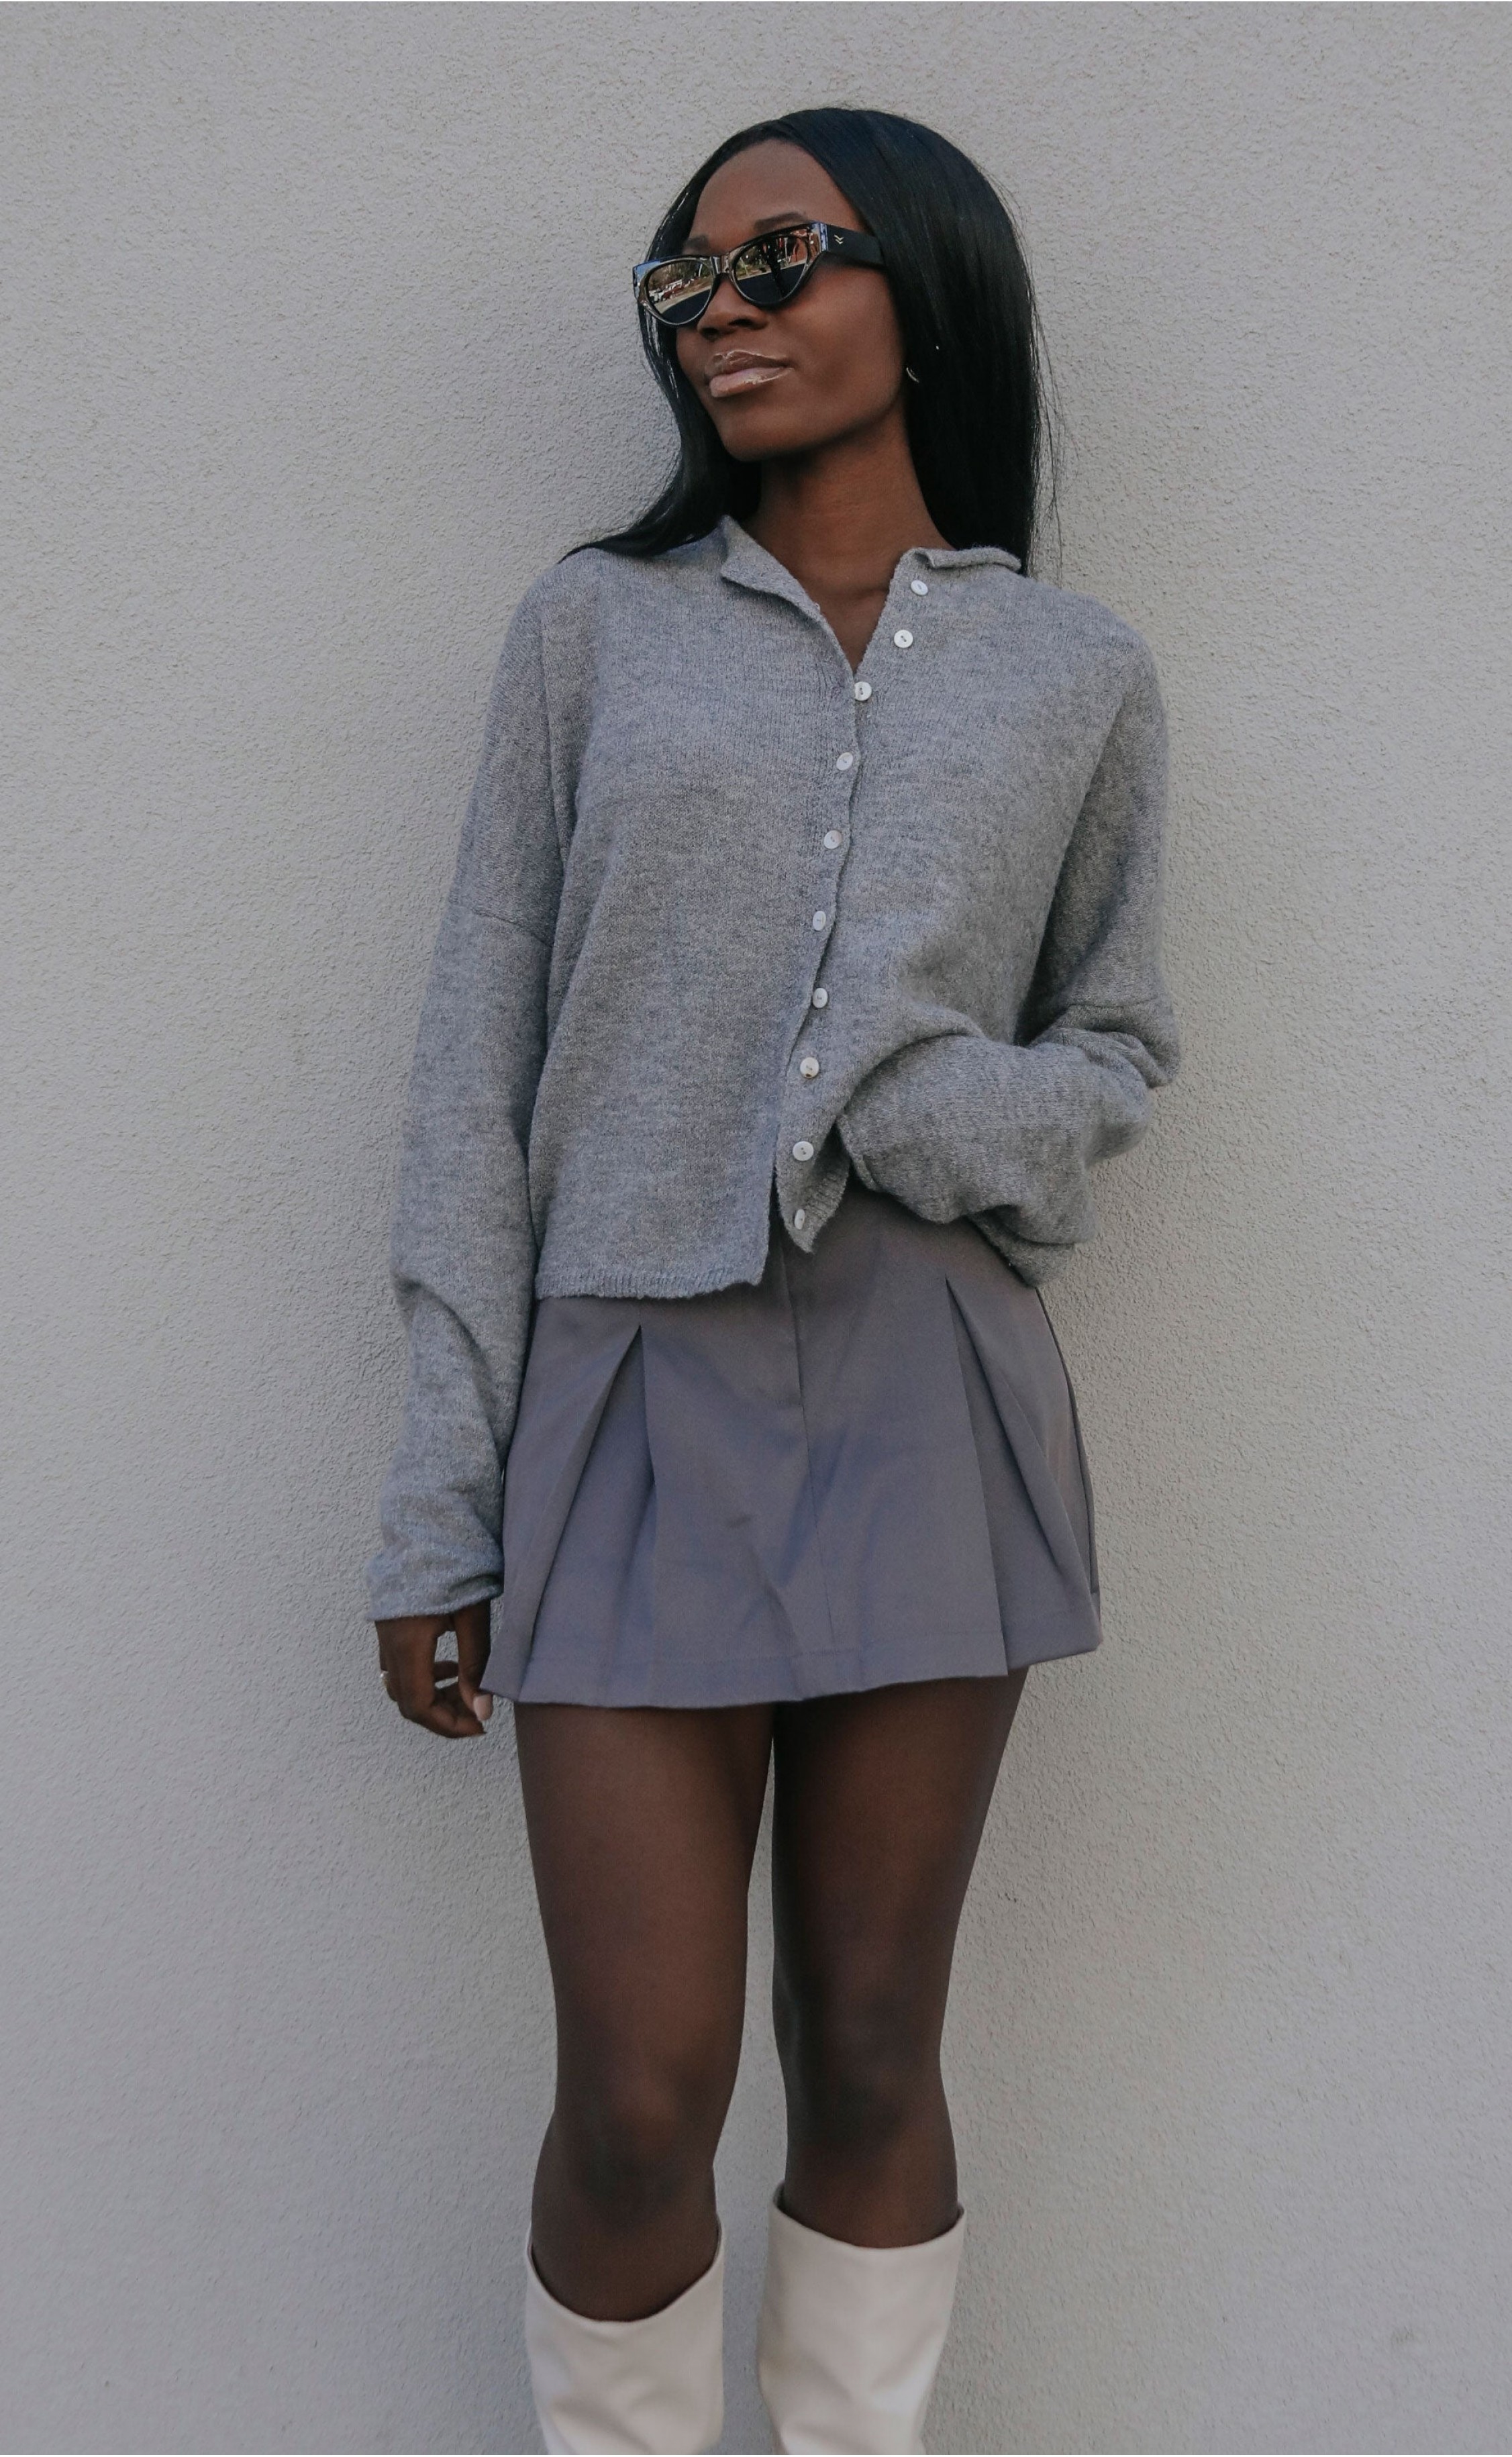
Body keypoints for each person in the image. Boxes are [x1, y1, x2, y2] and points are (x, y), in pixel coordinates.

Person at [366, 105, 1179, 2457]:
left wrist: (934, 1102)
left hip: (932, 1385)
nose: (717, 310)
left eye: (780, 257)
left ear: (924, 290)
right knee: (640, 2090)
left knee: (875, 2045)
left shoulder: (1074, 672)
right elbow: (477, 1074)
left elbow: (1120, 1041)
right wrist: (442, 1501)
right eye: (685, 278)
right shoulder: (591, 635)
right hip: (629, 1388)